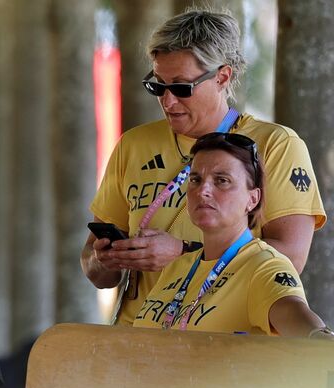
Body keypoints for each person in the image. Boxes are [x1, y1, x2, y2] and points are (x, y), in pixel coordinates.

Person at [80, 9, 326, 325]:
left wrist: (182, 253)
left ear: (222, 77)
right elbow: (92, 267)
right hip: (136, 346)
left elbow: (290, 258)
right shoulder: (133, 145)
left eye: (182, 88)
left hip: (220, 347)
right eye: (158, 86)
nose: (168, 101)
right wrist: (106, 259)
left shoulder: (275, 146)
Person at [132, 132, 333, 340]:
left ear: (252, 199)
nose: (203, 191)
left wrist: (322, 339)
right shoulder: (176, 267)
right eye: (195, 179)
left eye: (222, 180)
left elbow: (295, 315)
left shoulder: (263, 265)